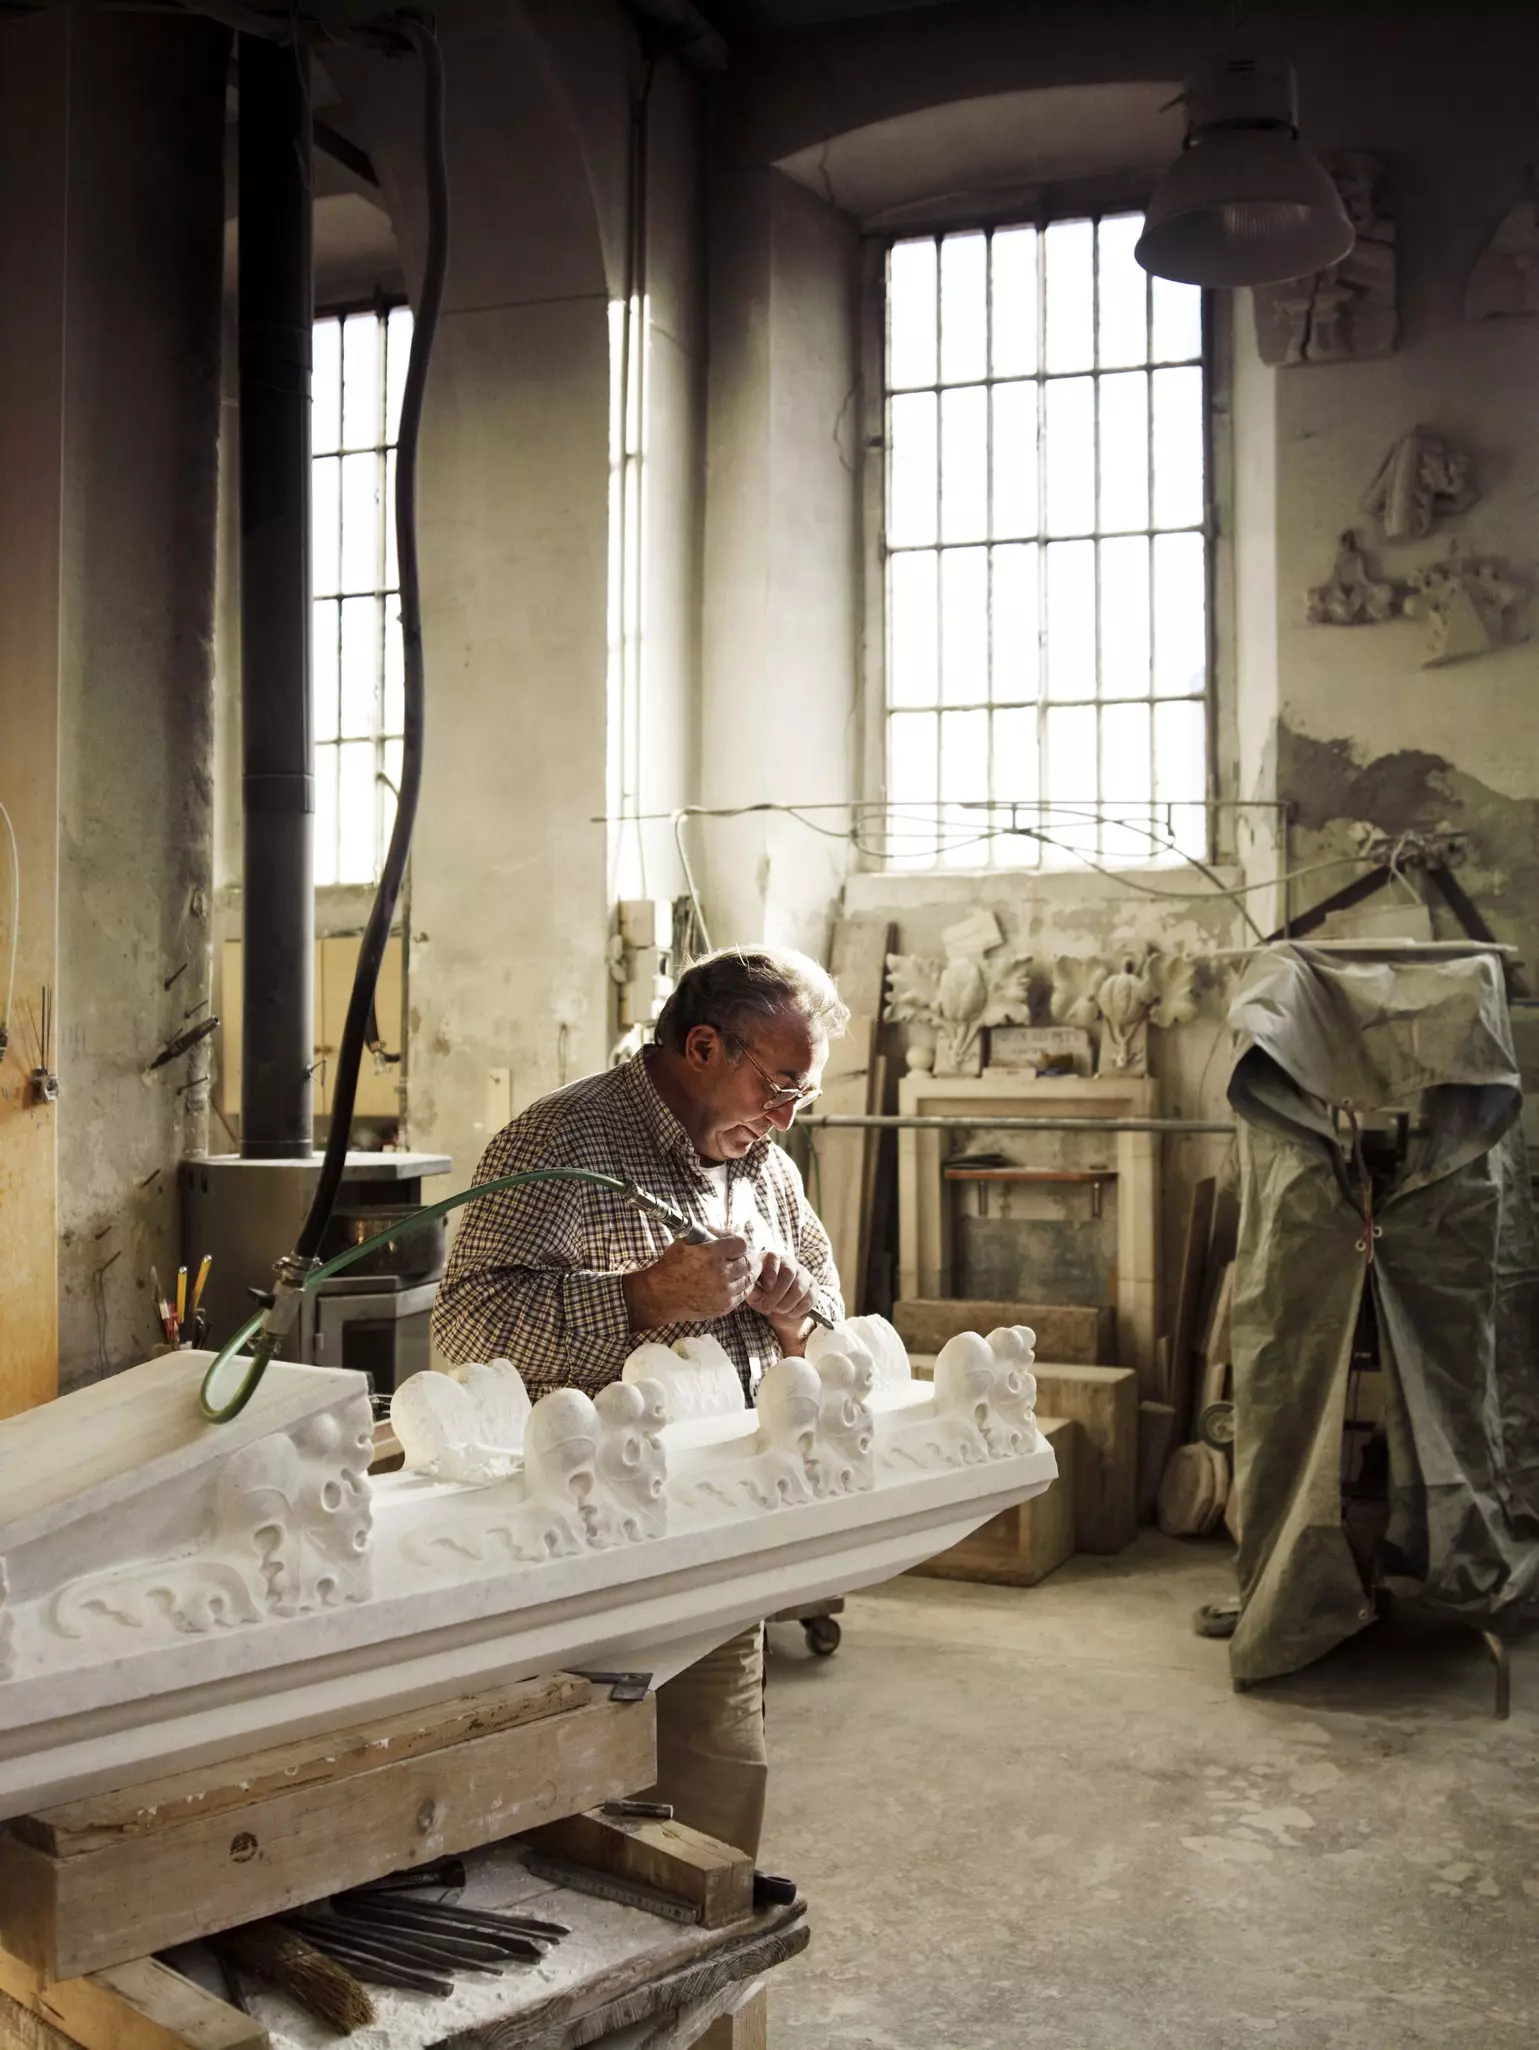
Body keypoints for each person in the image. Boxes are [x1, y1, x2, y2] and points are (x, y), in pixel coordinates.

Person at [431, 945, 850, 1857]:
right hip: (584, 1547)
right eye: (778, 1087)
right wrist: (644, 1297)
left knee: (713, 1776)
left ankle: (710, 1933)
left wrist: (795, 1317)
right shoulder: (562, 1141)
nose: (784, 1118)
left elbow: (832, 1321)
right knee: (561, 1793)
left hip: (722, 1534)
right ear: (702, 1047)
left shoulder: (766, 1167)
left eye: (802, 1098)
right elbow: (463, 1330)